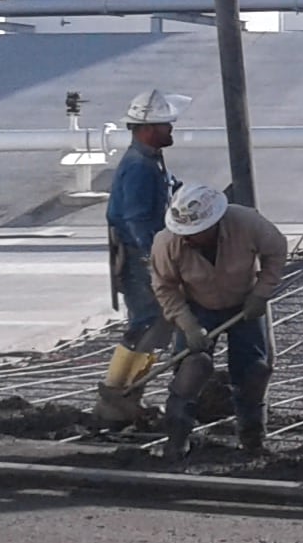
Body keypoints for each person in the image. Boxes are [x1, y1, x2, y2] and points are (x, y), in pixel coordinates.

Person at [152, 182, 289, 461]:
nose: (188, 239)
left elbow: (276, 250)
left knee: (254, 372)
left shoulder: (247, 223)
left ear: (214, 222)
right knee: (192, 368)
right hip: (197, 304)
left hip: (244, 303)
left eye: (195, 233)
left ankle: (252, 442)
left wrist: (261, 293)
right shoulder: (167, 243)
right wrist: (188, 324)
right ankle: (176, 441)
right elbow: (164, 287)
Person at [97, 89, 185, 426]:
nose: (171, 129)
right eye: (166, 124)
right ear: (148, 129)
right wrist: (155, 259)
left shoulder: (150, 159)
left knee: (155, 324)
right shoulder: (139, 167)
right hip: (137, 256)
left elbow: (170, 188)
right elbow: (135, 219)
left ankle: (129, 395)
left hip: (141, 253)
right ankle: (115, 398)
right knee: (145, 324)